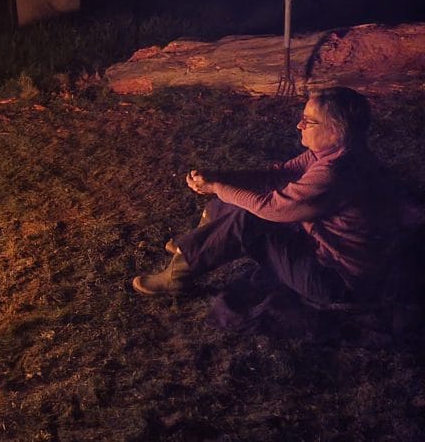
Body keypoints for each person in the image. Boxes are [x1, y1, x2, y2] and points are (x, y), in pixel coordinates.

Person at [132, 86, 415, 305]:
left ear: (336, 131)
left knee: (249, 218)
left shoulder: (336, 172)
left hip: (336, 280)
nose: (299, 126)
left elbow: (270, 207)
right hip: (322, 247)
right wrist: (221, 177)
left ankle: (178, 276)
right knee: (227, 200)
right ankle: (192, 246)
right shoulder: (330, 153)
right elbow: (276, 177)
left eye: (308, 121)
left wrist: (218, 186)